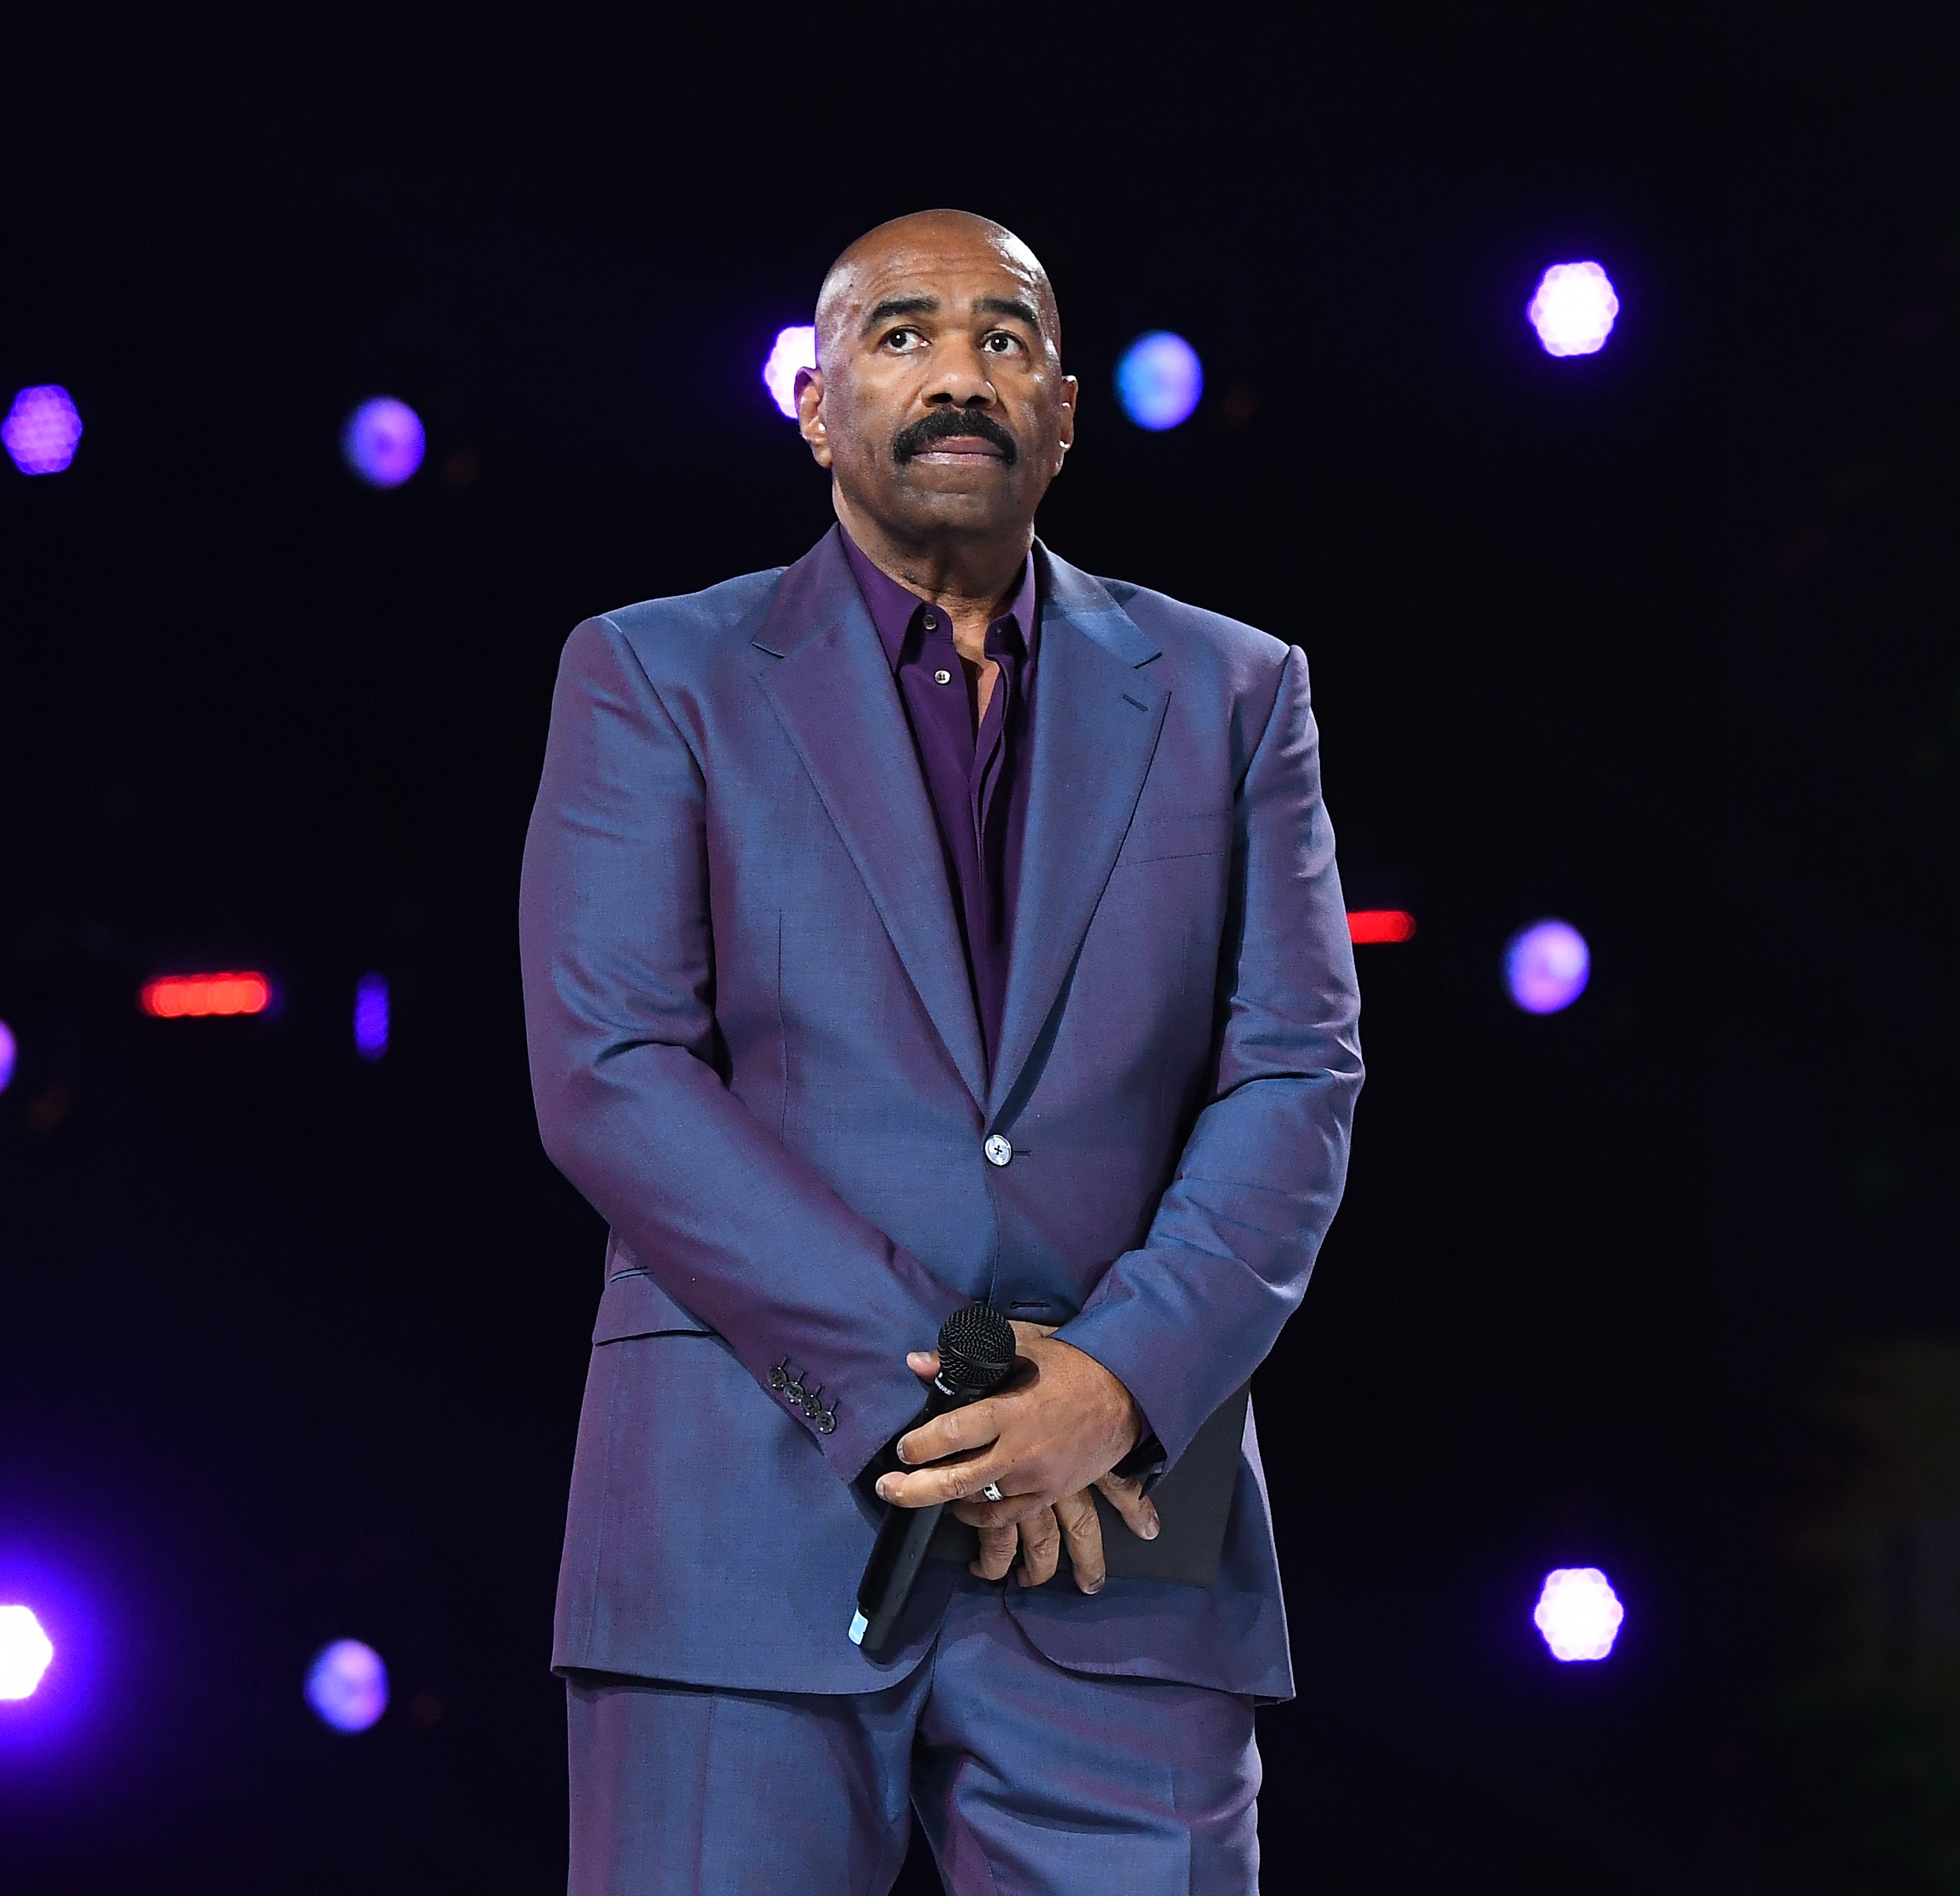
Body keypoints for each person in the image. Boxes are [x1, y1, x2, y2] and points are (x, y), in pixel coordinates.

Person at [519, 209, 1363, 1894]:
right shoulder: (654, 671)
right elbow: (609, 1069)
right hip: (741, 1528)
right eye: (900, 336)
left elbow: (1294, 1076)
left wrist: (1116, 1386)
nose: (957, 374)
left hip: (1119, 1536)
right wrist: (972, 1396)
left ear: (1064, 410)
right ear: (816, 404)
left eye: (1006, 339)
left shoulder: (1233, 690)